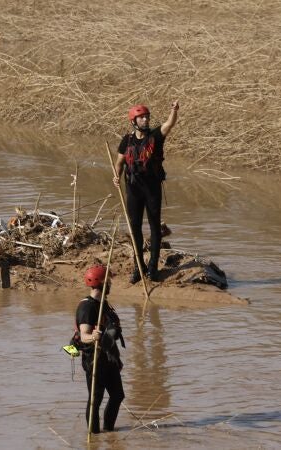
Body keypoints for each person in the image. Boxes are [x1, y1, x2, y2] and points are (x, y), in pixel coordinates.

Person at [113, 100, 179, 283]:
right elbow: (119, 164)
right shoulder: (126, 140)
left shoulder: (155, 137)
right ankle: (138, 267)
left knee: (155, 228)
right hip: (133, 190)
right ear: (133, 120)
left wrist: (174, 111)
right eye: (141, 117)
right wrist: (116, 176)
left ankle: (153, 269)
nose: (145, 120)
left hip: (152, 190)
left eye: (147, 117)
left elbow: (169, 124)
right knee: (135, 229)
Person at [74, 264, 125, 433]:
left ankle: (109, 432)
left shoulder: (104, 304)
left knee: (117, 395)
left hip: (109, 356)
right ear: (101, 283)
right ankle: (94, 436)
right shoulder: (87, 307)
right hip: (94, 358)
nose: (110, 284)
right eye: (108, 281)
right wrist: (93, 337)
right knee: (96, 399)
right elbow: (84, 336)